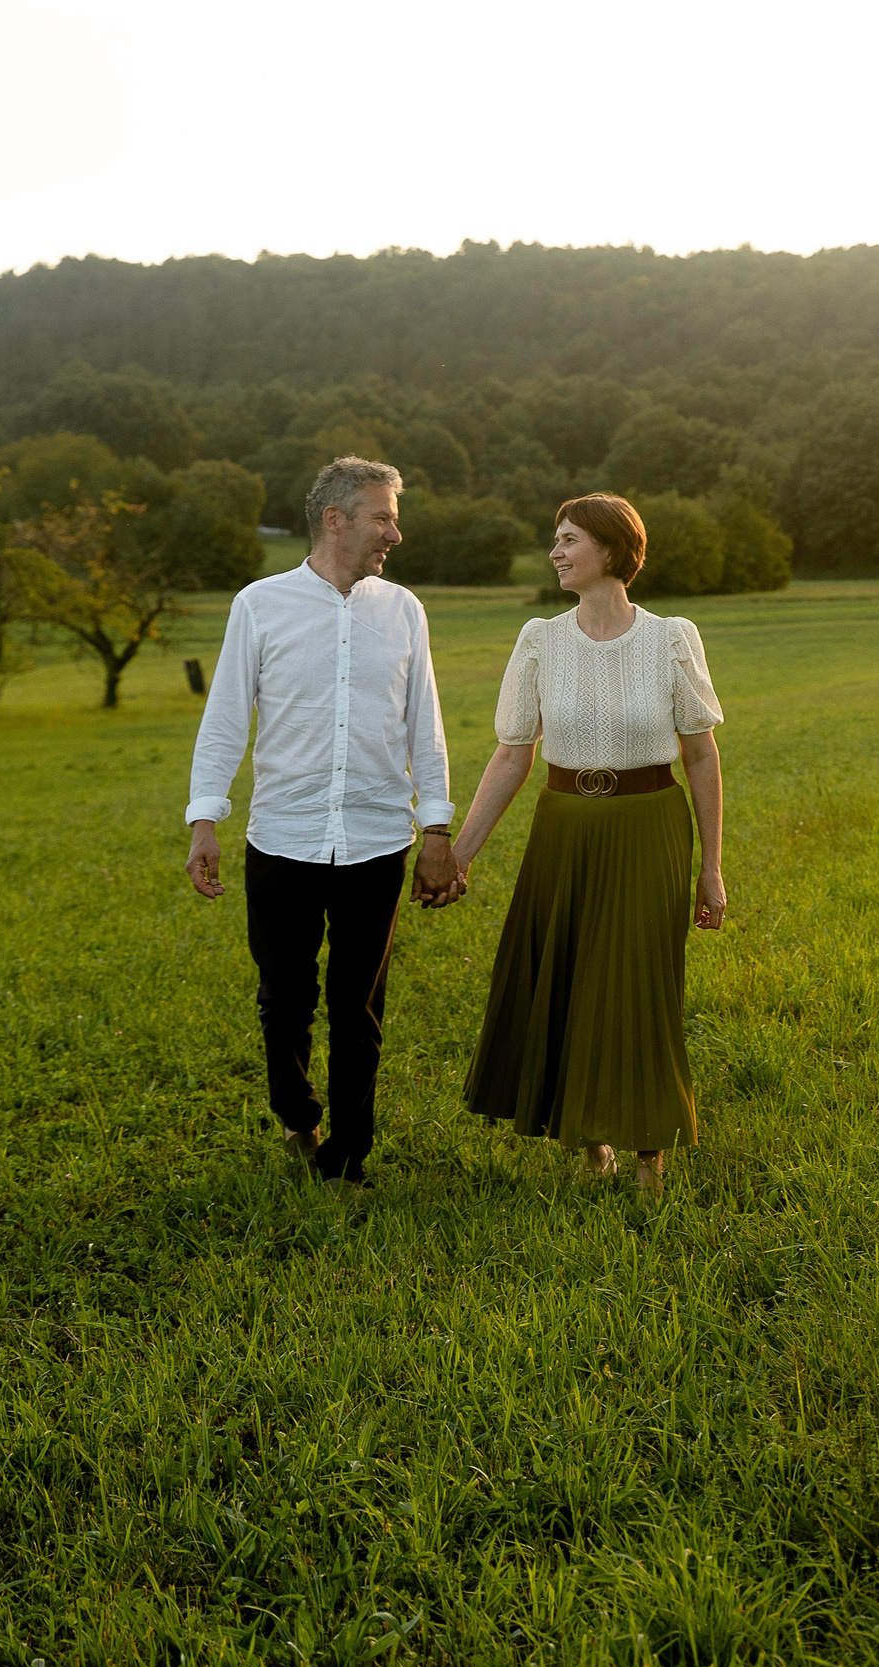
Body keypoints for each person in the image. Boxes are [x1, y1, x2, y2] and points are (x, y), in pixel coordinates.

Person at [183, 457, 460, 1195]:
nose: (394, 534)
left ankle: (349, 1155)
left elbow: (425, 727)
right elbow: (225, 720)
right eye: (382, 518)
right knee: (284, 997)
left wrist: (437, 831)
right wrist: (205, 818)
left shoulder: (404, 610)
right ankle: (296, 1114)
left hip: (377, 840)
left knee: (358, 1006)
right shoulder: (259, 605)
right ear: (335, 520)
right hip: (282, 838)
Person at [446, 493, 727, 1195]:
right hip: (563, 827)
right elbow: (512, 754)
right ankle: (590, 1133)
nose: (556, 552)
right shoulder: (539, 639)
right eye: (556, 539)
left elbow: (700, 756)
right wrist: (460, 853)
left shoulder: (671, 637)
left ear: (611, 549)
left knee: (639, 984)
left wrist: (713, 868)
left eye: (569, 539)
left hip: (649, 826)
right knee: (571, 979)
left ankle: (649, 1146)